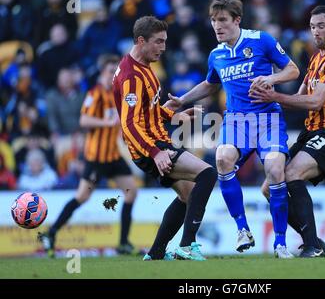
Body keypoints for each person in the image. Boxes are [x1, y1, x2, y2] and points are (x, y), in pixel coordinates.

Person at [165, 0, 300, 258]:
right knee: (222, 158)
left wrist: (270, 78)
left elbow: (293, 70)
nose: (217, 26)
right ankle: (243, 229)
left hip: (267, 118)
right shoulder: (216, 54)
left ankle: (281, 243)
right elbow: (210, 84)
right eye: (214, 21)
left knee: (274, 168)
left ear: (237, 20)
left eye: (223, 20)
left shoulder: (261, 40)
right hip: (236, 120)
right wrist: (181, 100)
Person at [251, 5, 325, 257]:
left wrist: (274, 94)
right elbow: (298, 98)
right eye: (312, 27)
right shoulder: (315, 59)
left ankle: (311, 246)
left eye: (321, 26)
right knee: (269, 188)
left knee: (294, 173)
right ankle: (313, 239)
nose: (315, 32)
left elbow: (315, 101)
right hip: (311, 132)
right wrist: (265, 104)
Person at [112, 16, 217, 261]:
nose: (163, 47)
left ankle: (157, 252)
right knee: (208, 173)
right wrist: (155, 152)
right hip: (151, 147)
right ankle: (188, 245)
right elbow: (129, 124)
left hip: (157, 143)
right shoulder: (131, 76)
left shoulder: (143, 67)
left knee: (188, 194)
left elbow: (147, 110)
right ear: (141, 41)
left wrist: (174, 114)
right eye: (158, 42)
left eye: (165, 42)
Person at [39, 54, 139, 257]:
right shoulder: (95, 93)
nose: (115, 75)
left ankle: (123, 243)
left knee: (132, 192)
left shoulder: (116, 93)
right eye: (111, 71)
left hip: (113, 156)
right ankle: (50, 233)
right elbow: (84, 121)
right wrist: (106, 123)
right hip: (96, 158)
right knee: (82, 197)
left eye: (117, 71)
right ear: (102, 72)